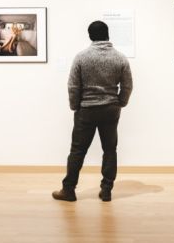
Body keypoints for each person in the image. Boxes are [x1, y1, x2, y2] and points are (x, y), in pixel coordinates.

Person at [52, 21, 133, 203]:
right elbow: (127, 85)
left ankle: (68, 190)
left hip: (86, 110)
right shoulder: (120, 58)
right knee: (110, 150)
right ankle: (106, 191)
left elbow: (73, 86)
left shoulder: (81, 57)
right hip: (111, 110)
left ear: (90, 36)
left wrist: (75, 106)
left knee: (78, 151)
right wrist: (120, 102)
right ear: (108, 34)